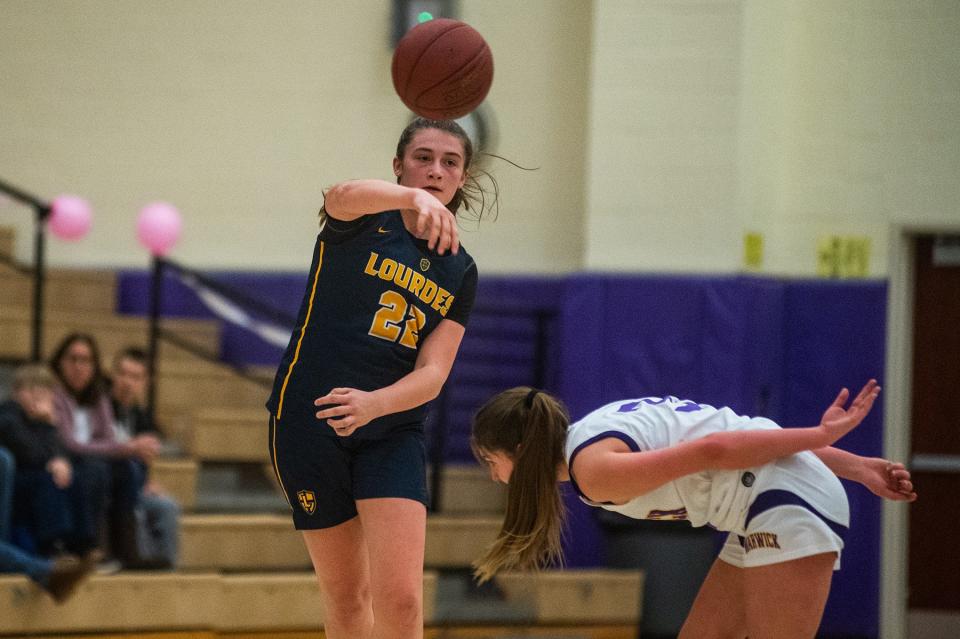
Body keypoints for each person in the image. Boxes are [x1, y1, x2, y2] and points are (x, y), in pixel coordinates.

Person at [470, 382, 917, 639]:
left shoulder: (595, 469)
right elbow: (739, 435)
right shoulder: (591, 436)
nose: (492, 476)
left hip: (784, 500)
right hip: (763, 501)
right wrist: (855, 466)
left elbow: (717, 448)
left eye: (492, 462)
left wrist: (820, 436)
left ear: (523, 451)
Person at [266, 117, 484, 639]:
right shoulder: (363, 220)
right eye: (423, 157)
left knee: (404, 602)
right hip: (310, 422)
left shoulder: (461, 269)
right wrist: (410, 202)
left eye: (449, 162)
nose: (435, 171)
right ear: (398, 166)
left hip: (390, 429)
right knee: (346, 599)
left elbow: (433, 372)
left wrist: (375, 405)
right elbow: (339, 194)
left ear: (462, 178)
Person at [48, 333, 161, 568]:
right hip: (65, 461)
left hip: (94, 461)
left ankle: (128, 552)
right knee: (98, 468)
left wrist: (124, 451)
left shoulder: (97, 396)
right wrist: (128, 447)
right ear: (61, 362)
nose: (79, 367)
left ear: (95, 366)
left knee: (126, 469)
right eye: (73, 359)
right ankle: (95, 548)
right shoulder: (55, 395)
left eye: (86, 361)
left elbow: (108, 439)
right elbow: (70, 444)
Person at [0, 364, 99, 558]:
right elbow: (28, 453)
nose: (38, 396)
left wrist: (62, 463)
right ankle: (52, 546)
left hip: (36, 477)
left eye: (44, 390)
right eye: (31, 389)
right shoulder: (8, 415)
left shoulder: (43, 420)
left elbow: (63, 453)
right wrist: (46, 428)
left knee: (75, 476)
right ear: (16, 393)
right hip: (15, 482)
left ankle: (84, 544)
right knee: (49, 482)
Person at [108, 347, 180, 569]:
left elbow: (143, 460)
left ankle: (169, 574)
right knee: (138, 511)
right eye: (122, 374)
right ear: (113, 375)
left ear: (145, 383)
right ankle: (142, 572)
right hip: (109, 486)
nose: (127, 382)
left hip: (133, 487)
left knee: (168, 506)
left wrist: (147, 481)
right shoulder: (102, 408)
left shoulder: (141, 416)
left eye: (135, 377)